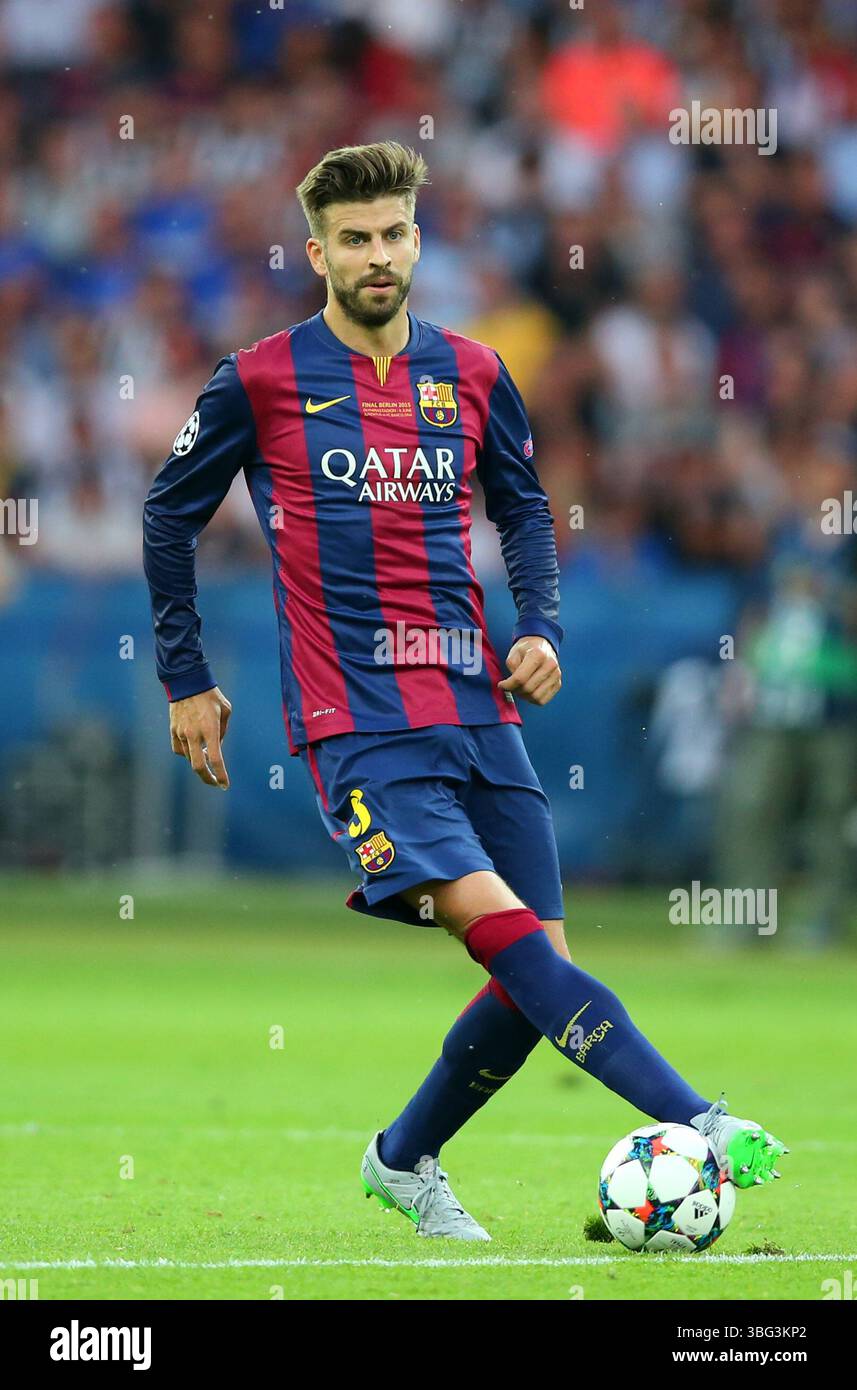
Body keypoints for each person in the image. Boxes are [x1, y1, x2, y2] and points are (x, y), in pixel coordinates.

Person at [143, 141, 786, 1241]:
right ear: (316, 254)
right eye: (354, 239)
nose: (378, 254)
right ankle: (699, 1119)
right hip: (356, 724)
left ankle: (401, 1157)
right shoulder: (258, 378)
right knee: (508, 937)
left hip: (477, 706)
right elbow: (167, 512)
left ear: (417, 240)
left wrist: (538, 626)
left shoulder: (473, 372)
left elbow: (526, 508)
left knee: (540, 970)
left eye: (394, 233)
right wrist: (186, 677)